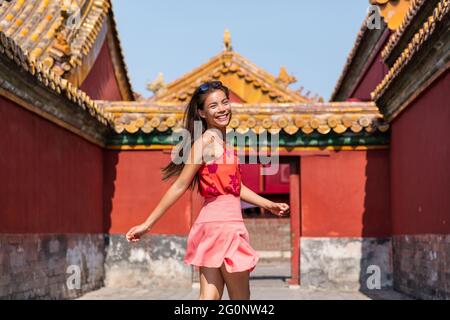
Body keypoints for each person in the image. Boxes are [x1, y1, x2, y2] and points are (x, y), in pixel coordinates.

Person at [126, 81, 289, 300]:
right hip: (226, 227)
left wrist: (268, 204)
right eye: (213, 106)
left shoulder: (223, 144)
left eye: (224, 102)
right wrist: (148, 223)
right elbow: (180, 184)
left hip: (211, 227)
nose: (222, 109)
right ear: (202, 112)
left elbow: (234, 188)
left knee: (208, 298)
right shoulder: (205, 143)